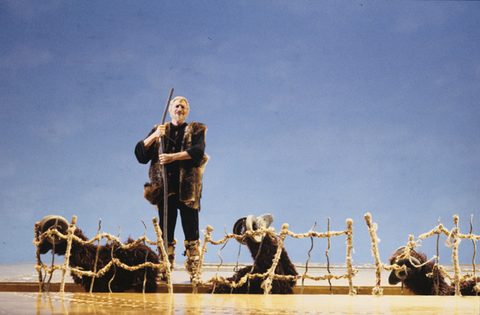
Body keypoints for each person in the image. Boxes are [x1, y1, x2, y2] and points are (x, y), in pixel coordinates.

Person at [135, 96, 208, 276]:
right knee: (166, 228)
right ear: (170, 110)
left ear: (187, 111)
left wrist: (171, 157)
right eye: (176, 106)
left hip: (188, 189)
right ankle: (165, 267)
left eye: (183, 107)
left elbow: (197, 152)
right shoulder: (159, 130)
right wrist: (154, 136)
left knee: (191, 229)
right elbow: (140, 155)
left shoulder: (196, 129)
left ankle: (194, 269)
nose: (179, 109)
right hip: (164, 189)